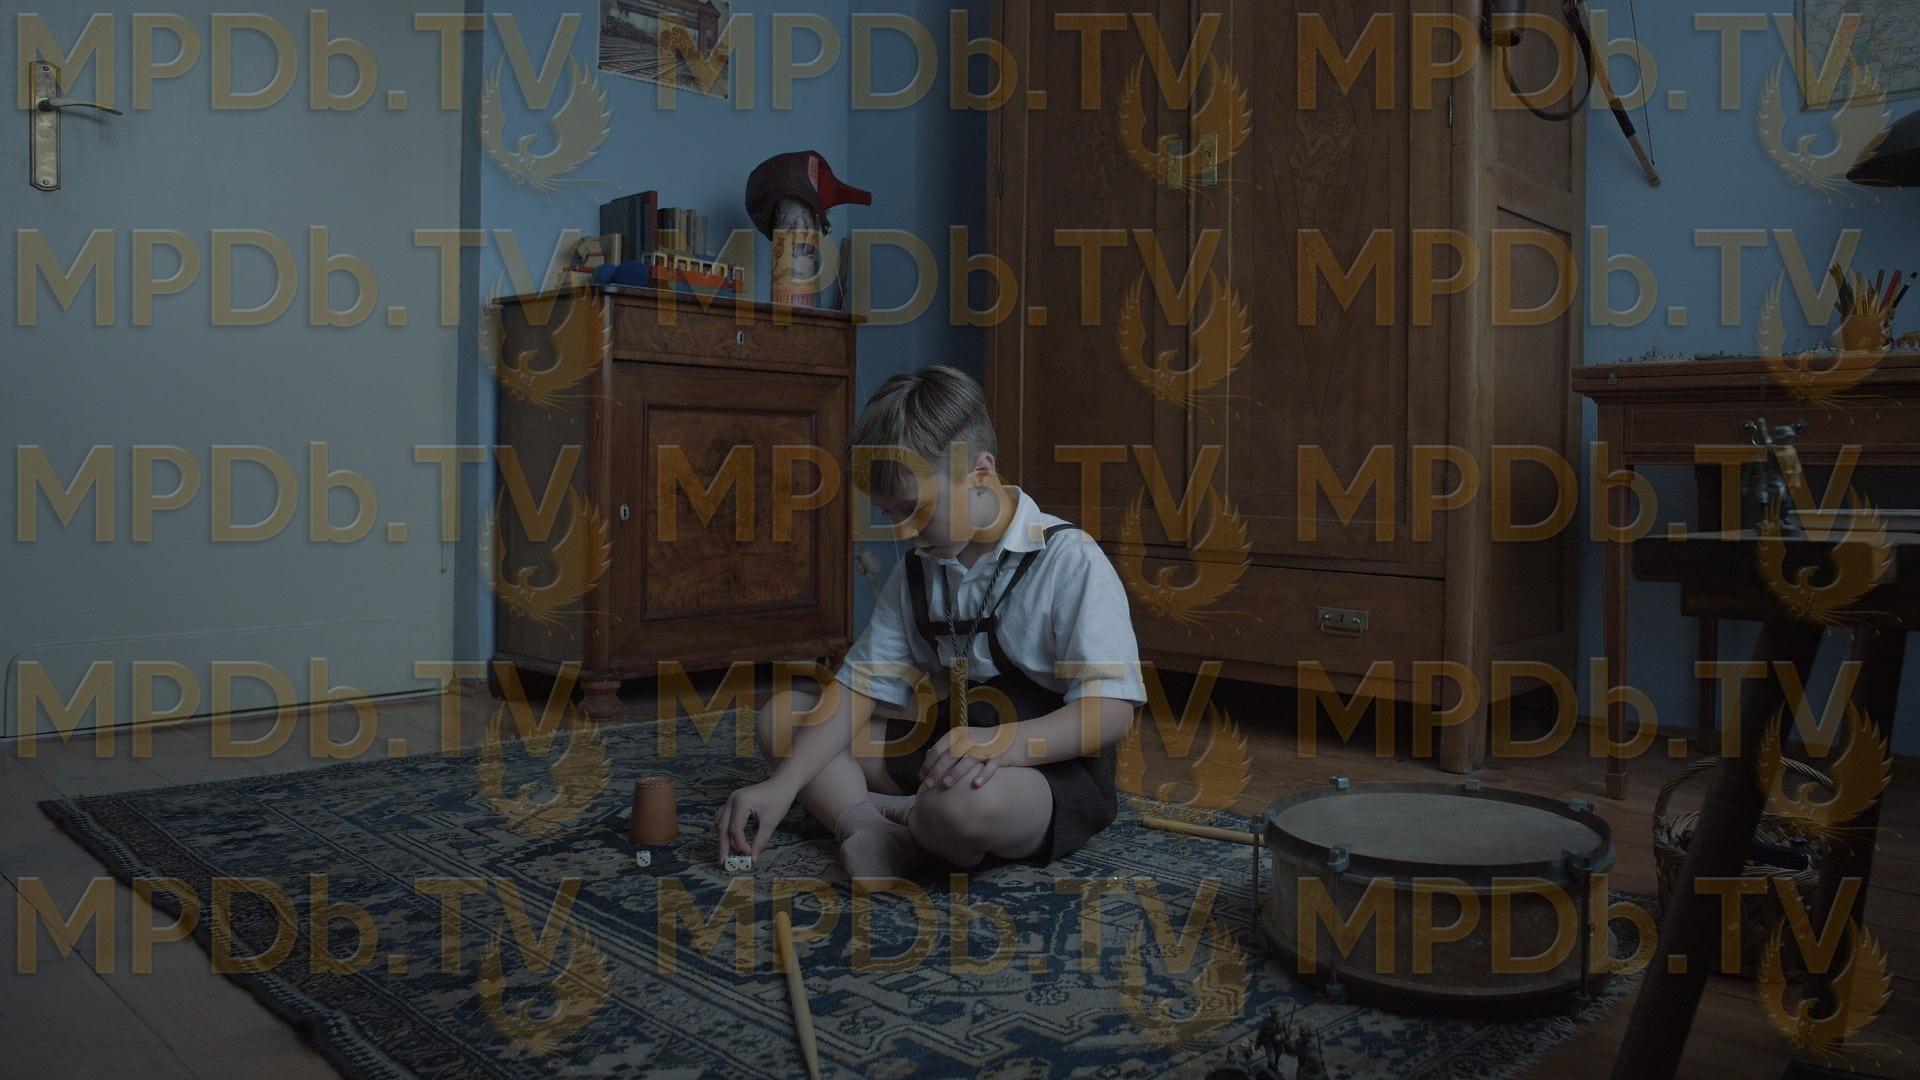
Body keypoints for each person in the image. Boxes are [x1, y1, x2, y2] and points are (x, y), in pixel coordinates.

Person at [714, 364, 1146, 878]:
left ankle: (909, 817)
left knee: (958, 805)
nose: (902, 533)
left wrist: (1002, 745)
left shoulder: (1069, 559)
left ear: (980, 473)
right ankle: (870, 827)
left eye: (914, 509)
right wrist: (781, 787)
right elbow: (859, 689)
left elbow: (1111, 713)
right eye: (889, 514)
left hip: (1040, 769)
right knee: (782, 720)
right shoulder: (920, 569)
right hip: (950, 747)